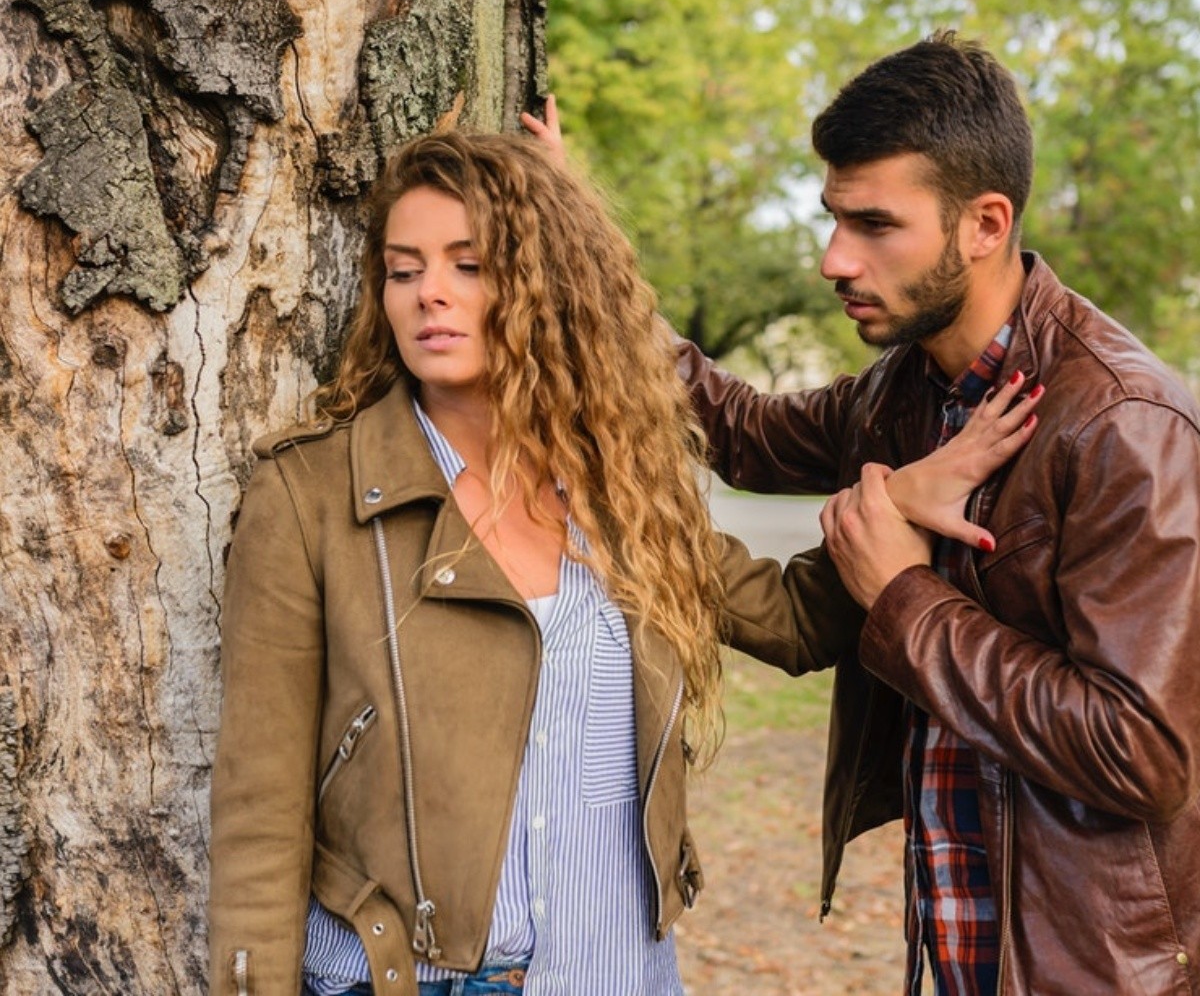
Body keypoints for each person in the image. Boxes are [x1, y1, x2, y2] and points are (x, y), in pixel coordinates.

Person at [207, 127, 1036, 996]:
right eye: (403, 269)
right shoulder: (310, 494)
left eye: (470, 264)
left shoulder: (620, 490)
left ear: (543, 284)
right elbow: (260, 808)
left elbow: (795, 622)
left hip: (619, 973)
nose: (429, 296)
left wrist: (899, 502)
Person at [673, 31, 1200, 994]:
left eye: (876, 225)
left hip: (1095, 969)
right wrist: (575, 254)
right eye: (834, 218)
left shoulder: (1125, 425)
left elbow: (1144, 756)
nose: (835, 258)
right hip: (961, 943)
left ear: (985, 223)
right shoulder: (898, 394)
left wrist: (903, 598)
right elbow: (738, 431)